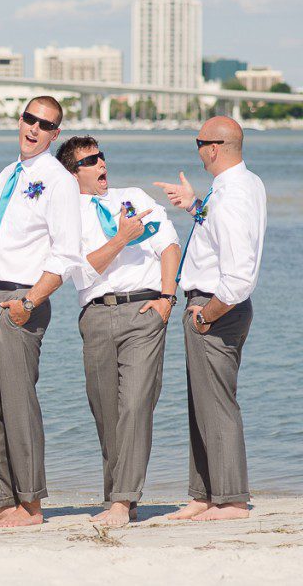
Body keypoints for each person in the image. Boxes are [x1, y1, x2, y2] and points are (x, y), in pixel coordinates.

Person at [0, 96, 83, 527]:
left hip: (22, 299)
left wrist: (30, 301)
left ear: (55, 134)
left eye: (46, 125)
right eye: (30, 119)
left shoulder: (58, 181)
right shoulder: (6, 174)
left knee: (18, 403)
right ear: (20, 120)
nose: (34, 128)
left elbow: (67, 255)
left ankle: (30, 504)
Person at [56, 136, 180, 527]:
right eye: (90, 160)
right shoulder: (64, 215)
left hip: (145, 310)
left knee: (135, 405)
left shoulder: (133, 196)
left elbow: (169, 244)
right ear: (72, 173)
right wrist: (121, 239)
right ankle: (118, 497)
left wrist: (166, 299)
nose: (101, 163)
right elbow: (81, 270)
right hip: (95, 315)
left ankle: (123, 502)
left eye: (101, 156)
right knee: (106, 409)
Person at [154, 116, 266, 522]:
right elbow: (221, 232)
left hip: (216, 307)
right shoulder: (239, 185)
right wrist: (194, 205)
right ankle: (204, 495)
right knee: (202, 402)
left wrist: (206, 316)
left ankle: (232, 500)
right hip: (210, 304)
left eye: (198, 143)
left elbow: (238, 276)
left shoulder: (234, 194)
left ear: (213, 148)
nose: (197, 150)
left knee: (217, 403)